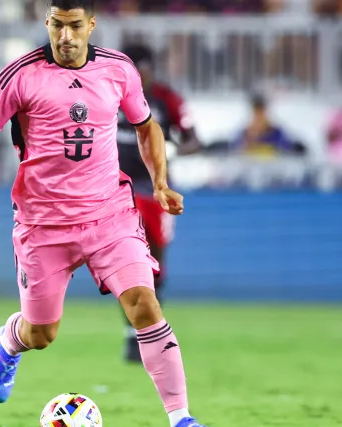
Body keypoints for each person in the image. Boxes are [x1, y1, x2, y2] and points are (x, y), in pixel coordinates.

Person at [0, 1, 205, 426]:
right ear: (47, 23)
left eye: (74, 26)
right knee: (42, 333)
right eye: (57, 25)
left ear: (91, 24)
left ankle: (181, 418)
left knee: (145, 303)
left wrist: (160, 183)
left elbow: (146, 125)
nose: (66, 36)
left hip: (110, 214)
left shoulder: (118, 70)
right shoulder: (21, 75)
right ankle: (9, 342)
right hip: (43, 225)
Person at [116, 44, 202, 363]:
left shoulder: (167, 100)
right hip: (117, 189)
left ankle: (150, 332)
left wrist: (171, 150)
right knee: (125, 260)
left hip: (156, 189)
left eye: (144, 70)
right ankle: (132, 335)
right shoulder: (110, 96)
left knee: (155, 259)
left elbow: (194, 140)